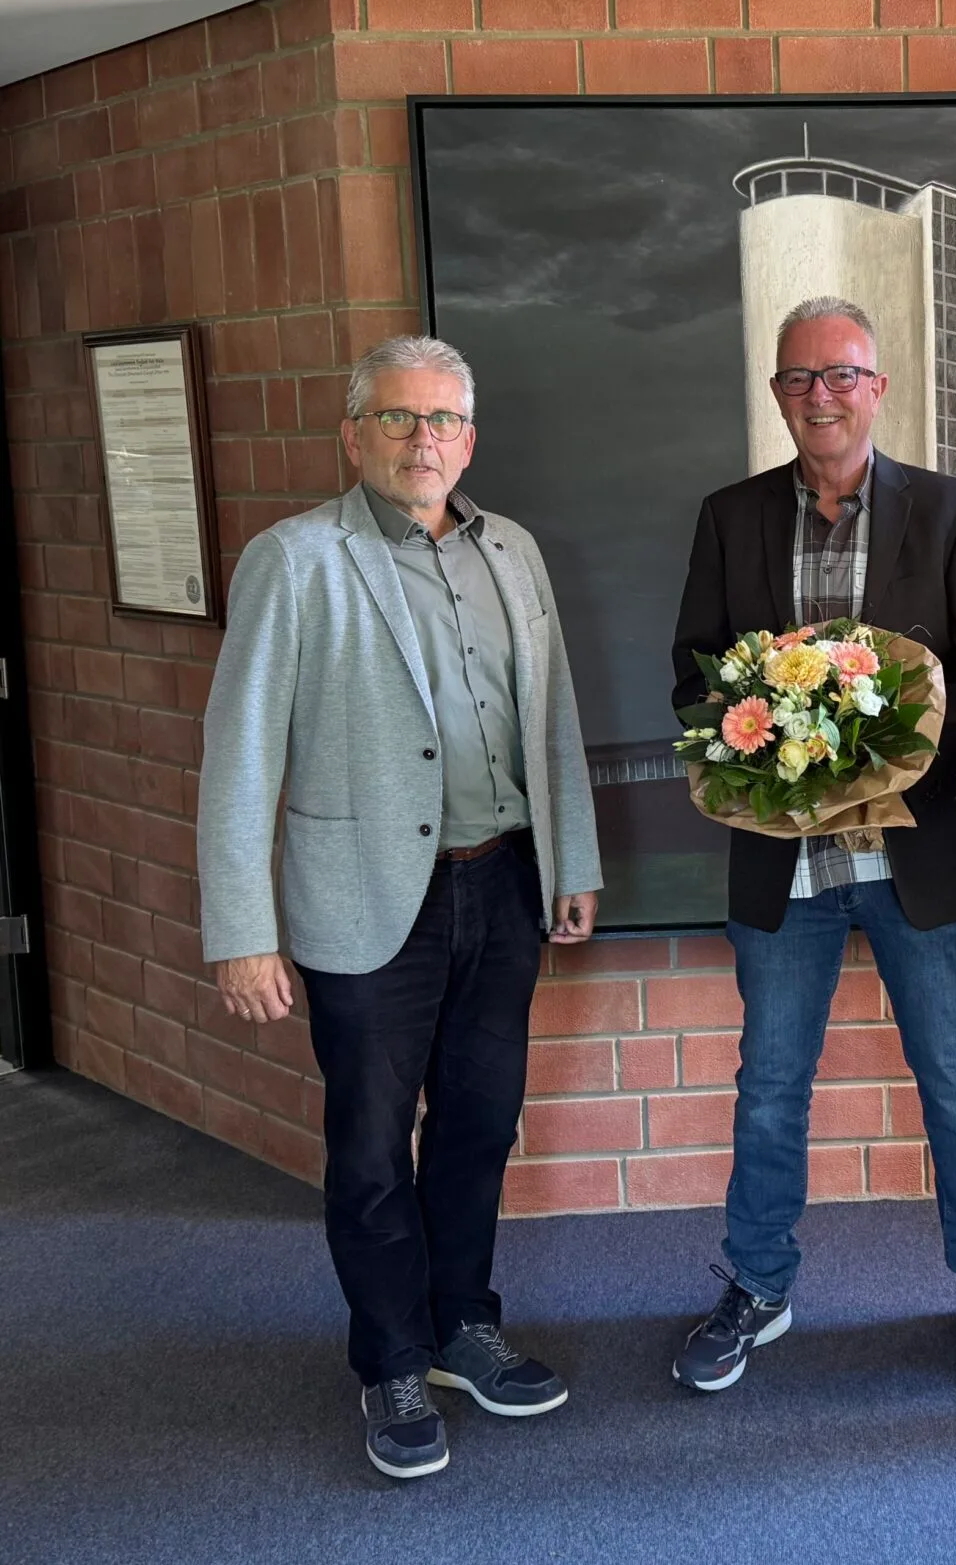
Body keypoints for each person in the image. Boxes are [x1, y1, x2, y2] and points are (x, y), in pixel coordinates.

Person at [197, 335, 602, 1479]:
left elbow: (552, 713)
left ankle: (463, 1324)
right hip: (365, 898)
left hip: (503, 881)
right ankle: (390, 1358)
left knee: (479, 1123)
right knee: (372, 1144)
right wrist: (242, 928)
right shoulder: (295, 560)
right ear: (353, 435)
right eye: (397, 417)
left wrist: (571, 857)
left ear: (469, 440)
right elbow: (239, 755)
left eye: (443, 420)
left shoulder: (512, 550)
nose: (423, 439)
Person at [669, 296, 956, 1400]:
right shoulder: (730, 517)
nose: (821, 396)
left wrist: (887, 738)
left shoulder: (950, 510)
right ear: (777, 394)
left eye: (841, 374)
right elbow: (694, 673)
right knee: (769, 1087)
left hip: (914, 857)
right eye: (799, 378)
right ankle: (758, 1285)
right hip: (781, 862)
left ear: (877, 388)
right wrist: (776, 741)